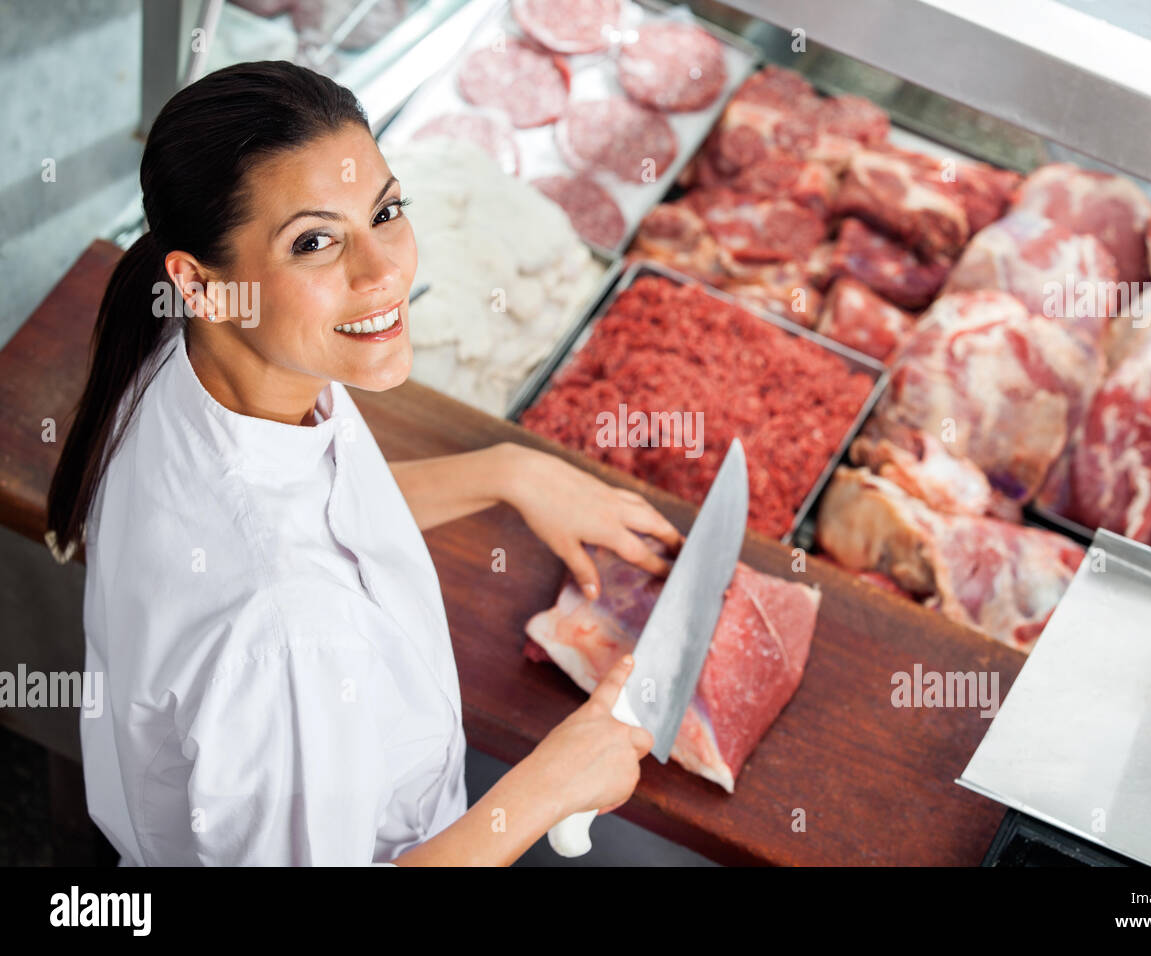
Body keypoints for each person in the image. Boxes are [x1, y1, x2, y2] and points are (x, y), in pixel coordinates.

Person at [44, 60, 683, 866]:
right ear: (199, 281)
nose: (383, 273)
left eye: (384, 211)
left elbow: (307, 512)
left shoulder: (196, 349)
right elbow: (282, 575)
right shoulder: (290, 640)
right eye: (314, 241)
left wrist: (506, 472)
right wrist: (549, 783)